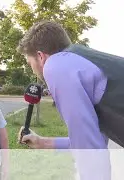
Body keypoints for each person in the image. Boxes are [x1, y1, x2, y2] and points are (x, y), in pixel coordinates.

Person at [16, 20, 124, 179]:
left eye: (29, 62)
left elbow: (90, 151)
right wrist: (42, 142)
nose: (33, 70)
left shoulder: (56, 66)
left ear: (40, 56)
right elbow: (94, 139)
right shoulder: (81, 60)